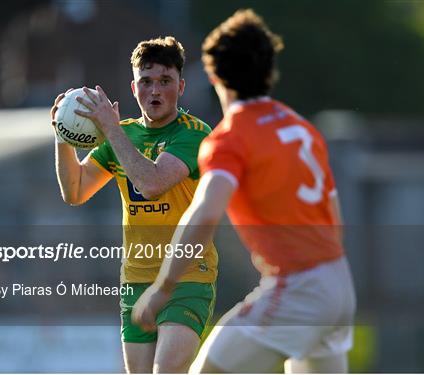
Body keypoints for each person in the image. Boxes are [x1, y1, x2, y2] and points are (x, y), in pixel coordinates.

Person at [132, 10, 356, 373]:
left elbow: (205, 214)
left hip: (298, 290)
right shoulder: (300, 127)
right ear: (270, 73)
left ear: (214, 75)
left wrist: (163, 287)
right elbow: (333, 214)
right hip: (339, 282)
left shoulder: (229, 139)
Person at [50, 36, 218, 373]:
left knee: (165, 371)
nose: (155, 91)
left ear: (181, 87)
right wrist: (63, 138)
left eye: (165, 81)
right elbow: (75, 191)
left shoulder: (194, 134)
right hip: (136, 280)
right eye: (146, 82)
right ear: (133, 87)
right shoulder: (121, 135)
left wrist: (112, 130)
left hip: (188, 278)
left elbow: (152, 183)